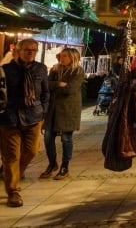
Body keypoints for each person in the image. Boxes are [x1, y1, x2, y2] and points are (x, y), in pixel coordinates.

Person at [0, 38, 50, 208]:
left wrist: (43, 111)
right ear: (18, 51)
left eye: (33, 50)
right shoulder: (6, 70)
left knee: (31, 151)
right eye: (27, 49)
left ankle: (11, 174)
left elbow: (45, 93)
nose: (30, 52)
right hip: (10, 118)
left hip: (33, 117)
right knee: (11, 156)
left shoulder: (41, 69)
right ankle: (13, 191)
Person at [40, 47, 85, 180]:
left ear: (72, 57)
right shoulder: (55, 69)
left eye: (65, 56)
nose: (61, 57)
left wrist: (58, 86)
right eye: (61, 55)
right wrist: (59, 83)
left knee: (66, 138)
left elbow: (70, 89)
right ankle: (52, 163)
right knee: (48, 138)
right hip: (52, 109)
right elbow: (46, 85)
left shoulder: (77, 71)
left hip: (68, 110)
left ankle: (65, 167)